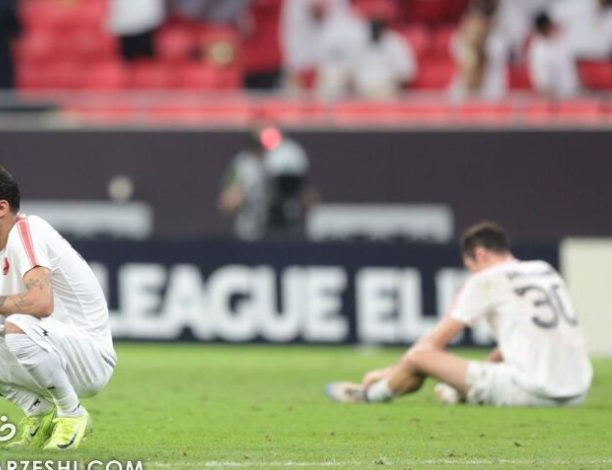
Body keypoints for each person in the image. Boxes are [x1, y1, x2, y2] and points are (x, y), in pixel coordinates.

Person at [0, 163, 116, 450]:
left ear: (0, 208)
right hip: (42, 346)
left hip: (89, 355)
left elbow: (41, 303)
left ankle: (72, 414)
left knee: (18, 325)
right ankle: (38, 412)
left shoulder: (27, 231)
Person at [326, 221, 593, 407]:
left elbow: (434, 343)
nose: (471, 272)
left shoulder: (487, 278)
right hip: (577, 391)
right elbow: (519, 345)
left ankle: (372, 395)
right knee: (491, 364)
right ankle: (457, 393)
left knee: (421, 356)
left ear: (479, 254)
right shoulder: (544, 269)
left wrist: (391, 371)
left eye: (470, 266)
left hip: (534, 392)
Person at [219, 123, 310, 240]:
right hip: (251, 231)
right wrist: (242, 197)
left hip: (284, 228)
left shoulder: (285, 157)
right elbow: (227, 202)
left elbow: (303, 194)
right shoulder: (243, 164)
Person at [528, 11, 579, 100]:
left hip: (573, 93)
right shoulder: (537, 51)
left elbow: (571, 68)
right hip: (556, 100)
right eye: (547, 26)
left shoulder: (560, 40)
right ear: (541, 29)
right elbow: (542, 84)